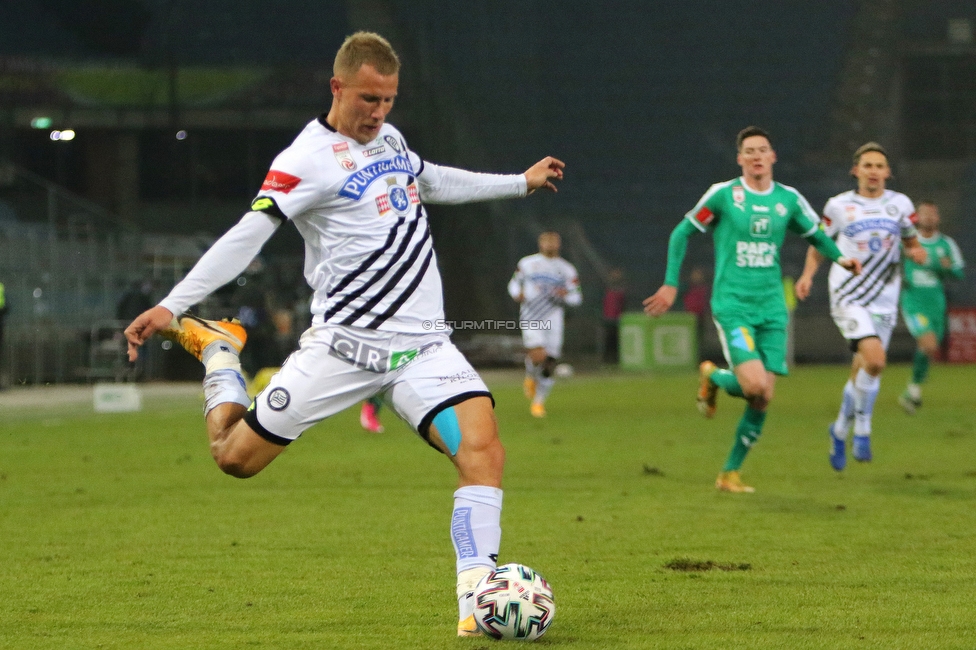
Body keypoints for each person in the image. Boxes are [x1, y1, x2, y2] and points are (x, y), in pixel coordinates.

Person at [122, 32, 565, 638]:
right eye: (367, 99)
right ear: (337, 87)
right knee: (234, 458)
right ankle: (219, 349)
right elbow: (246, 236)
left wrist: (518, 182)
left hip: (424, 350)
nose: (378, 113)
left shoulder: (390, 139)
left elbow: (432, 180)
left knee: (482, 452)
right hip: (342, 351)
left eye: (388, 100)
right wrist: (174, 306)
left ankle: (475, 598)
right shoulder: (304, 160)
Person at [644, 126, 860, 493]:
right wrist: (670, 283)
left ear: (773, 156)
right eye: (749, 151)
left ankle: (729, 474)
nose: (757, 156)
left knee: (763, 397)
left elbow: (816, 235)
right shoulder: (725, 195)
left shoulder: (788, 200)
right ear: (740, 159)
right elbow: (682, 232)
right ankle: (712, 377)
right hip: (734, 306)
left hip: (773, 308)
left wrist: (841, 258)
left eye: (763, 150)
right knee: (755, 384)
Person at [795, 142, 926, 471]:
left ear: (887, 172)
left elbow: (911, 241)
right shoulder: (839, 206)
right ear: (856, 170)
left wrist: (915, 252)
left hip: (884, 296)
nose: (873, 171)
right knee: (876, 360)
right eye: (867, 165)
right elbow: (819, 243)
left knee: (864, 368)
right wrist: (808, 274)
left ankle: (839, 429)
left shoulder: (900, 205)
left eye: (879, 166)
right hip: (848, 295)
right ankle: (863, 430)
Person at [896, 200, 965, 414]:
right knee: (927, 344)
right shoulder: (906, 242)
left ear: (938, 218)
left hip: (936, 303)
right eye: (924, 214)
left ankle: (913, 392)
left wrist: (944, 268)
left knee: (930, 348)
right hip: (913, 302)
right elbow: (888, 263)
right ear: (917, 217)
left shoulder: (946, 244)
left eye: (932, 214)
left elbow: (959, 272)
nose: (928, 218)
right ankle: (912, 390)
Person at [507, 231, 582, 417]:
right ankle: (531, 375)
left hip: (553, 319)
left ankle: (538, 403)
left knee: (550, 361)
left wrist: (567, 296)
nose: (550, 244)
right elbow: (514, 284)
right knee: (538, 355)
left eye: (553, 241)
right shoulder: (527, 263)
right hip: (531, 315)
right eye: (546, 240)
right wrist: (518, 294)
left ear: (559, 244)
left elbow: (577, 297)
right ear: (540, 243)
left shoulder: (567, 269)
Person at [601, 268, 626, 364]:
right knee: (608, 340)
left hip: (617, 319)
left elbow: (623, 305)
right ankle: (606, 360)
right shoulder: (606, 288)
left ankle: (616, 360)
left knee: (617, 340)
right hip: (607, 319)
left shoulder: (622, 290)